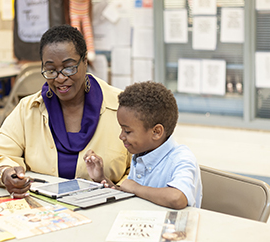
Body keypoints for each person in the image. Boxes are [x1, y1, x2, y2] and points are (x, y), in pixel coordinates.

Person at [0, 25, 131, 198]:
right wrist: (5, 173)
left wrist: (115, 188)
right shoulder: (28, 109)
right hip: (44, 213)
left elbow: (146, 171)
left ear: (85, 61)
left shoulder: (122, 107)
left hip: (107, 210)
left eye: (69, 67)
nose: (60, 78)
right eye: (50, 70)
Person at [84, 81, 202, 209]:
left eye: (127, 131)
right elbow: (130, 193)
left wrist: (135, 188)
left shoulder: (181, 159)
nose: (121, 136)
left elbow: (177, 198)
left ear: (156, 132)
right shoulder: (142, 154)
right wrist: (101, 178)